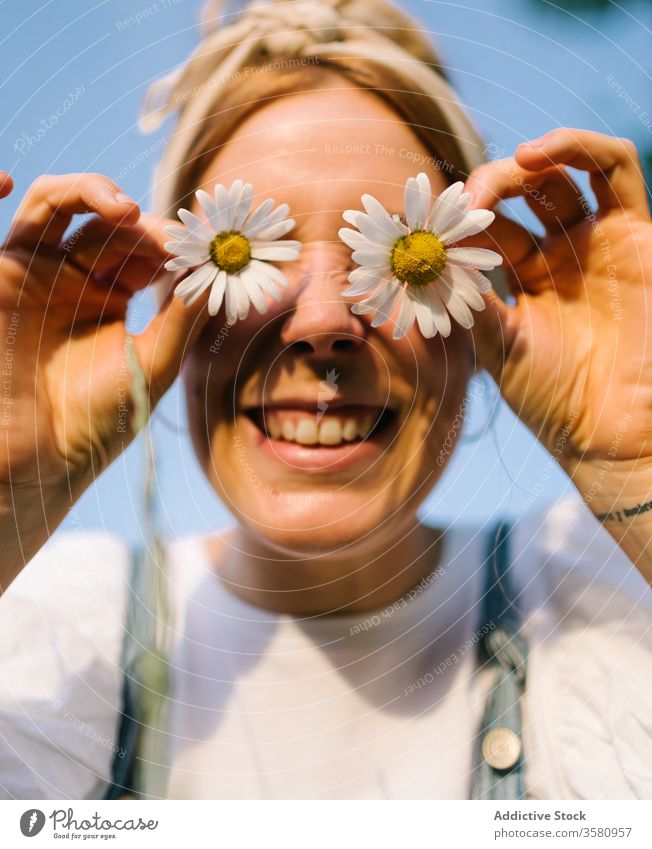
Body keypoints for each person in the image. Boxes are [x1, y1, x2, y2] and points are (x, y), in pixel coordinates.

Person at [0, 0, 651, 801]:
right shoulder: (48, 635)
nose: (319, 323)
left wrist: (638, 471)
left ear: (479, 315)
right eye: (247, 257)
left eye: (406, 259)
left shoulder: (601, 601)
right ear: (167, 301)